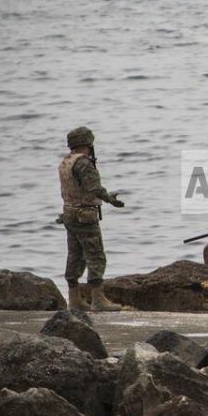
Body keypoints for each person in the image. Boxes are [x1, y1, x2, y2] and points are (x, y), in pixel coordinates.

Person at [59, 126, 125, 312]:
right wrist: (110, 199)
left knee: (74, 255)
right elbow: (93, 188)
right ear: (87, 143)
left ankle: (74, 298)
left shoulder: (66, 162)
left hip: (70, 212)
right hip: (84, 215)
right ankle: (97, 299)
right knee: (95, 255)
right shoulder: (84, 164)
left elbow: (71, 189)